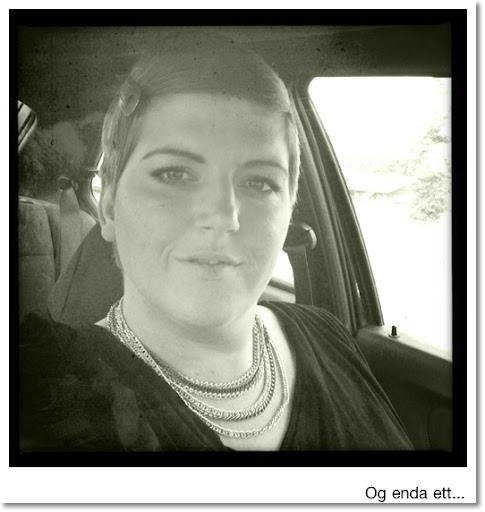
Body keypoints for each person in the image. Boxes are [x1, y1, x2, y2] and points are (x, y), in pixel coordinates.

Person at [19, 32, 413, 452]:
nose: (224, 217)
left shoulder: (328, 335)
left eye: (259, 182)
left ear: (288, 210)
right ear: (111, 206)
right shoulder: (46, 402)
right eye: (174, 174)